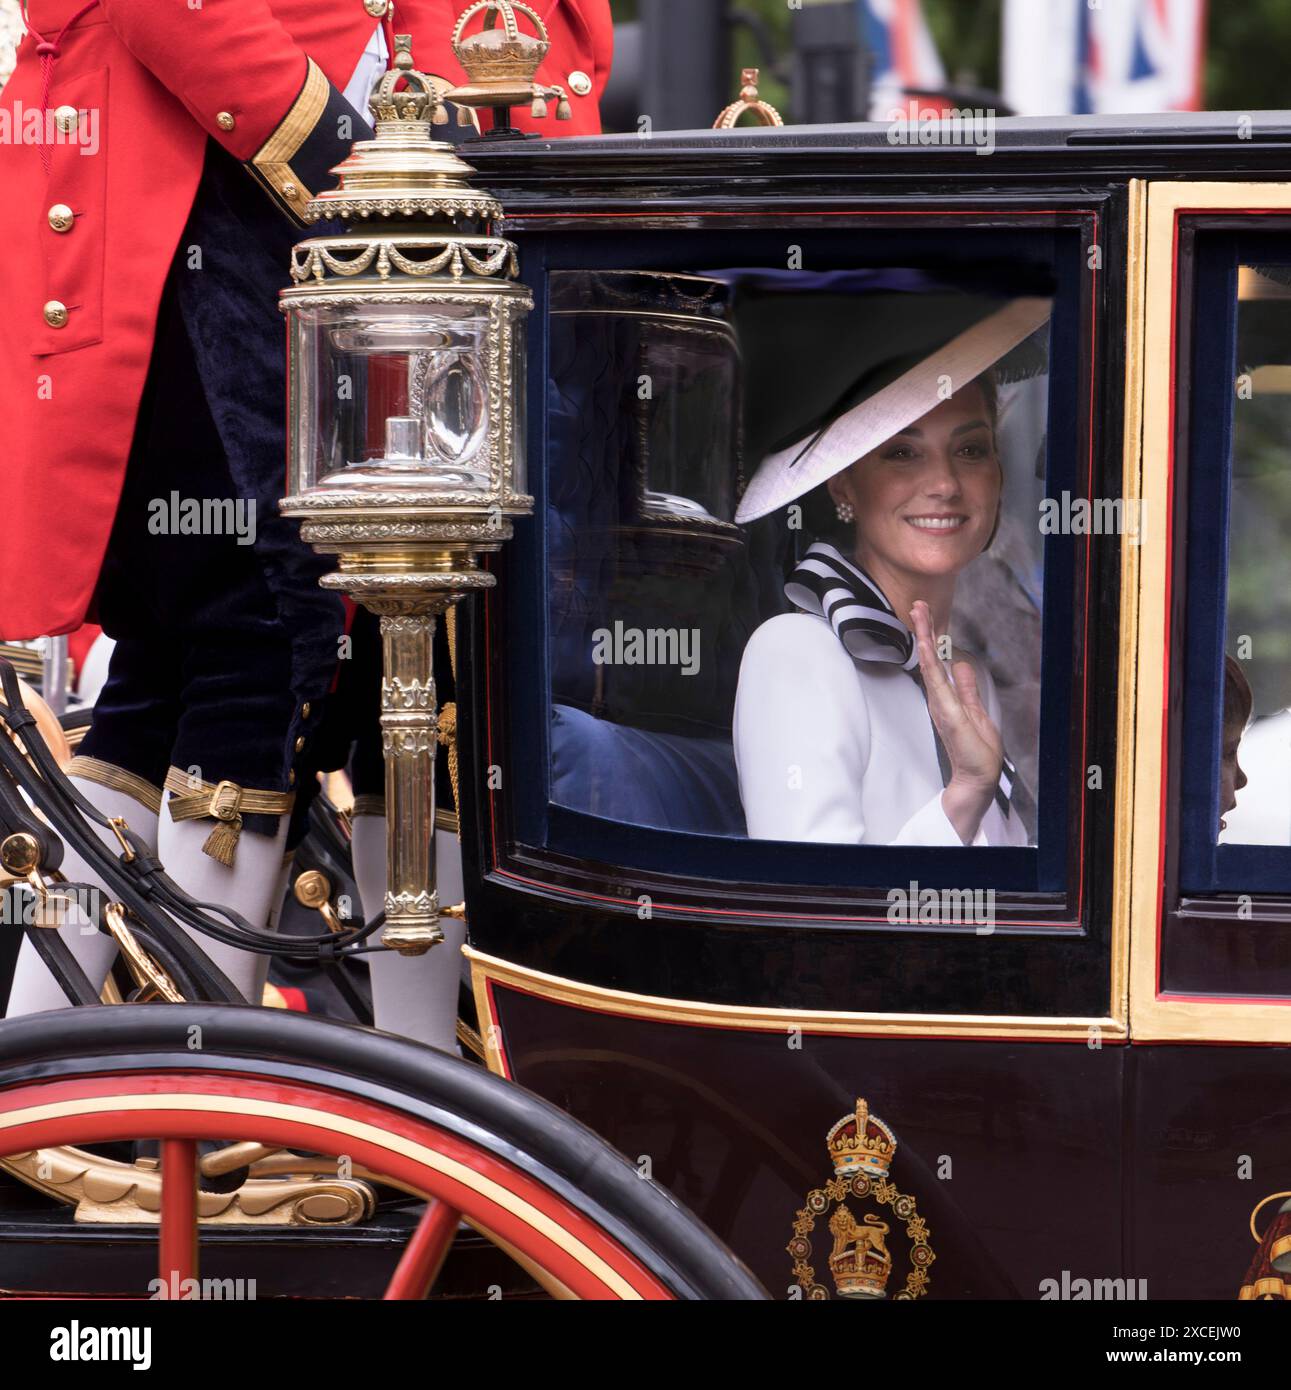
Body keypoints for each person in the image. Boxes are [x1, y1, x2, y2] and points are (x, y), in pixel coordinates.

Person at [0, 0, 610, 1018]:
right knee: (249, 640)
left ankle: (61, 1065)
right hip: (253, 212)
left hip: (392, 226)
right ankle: (191, 1088)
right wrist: (352, 159)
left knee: (406, 673)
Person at [732, 296, 1050, 847]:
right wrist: (966, 793)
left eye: (971, 449)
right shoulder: (795, 653)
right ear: (843, 484)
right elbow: (814, 913)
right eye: (903, 453)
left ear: (998, 473)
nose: (946, 484)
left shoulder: (965, 679)